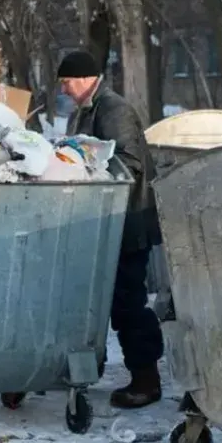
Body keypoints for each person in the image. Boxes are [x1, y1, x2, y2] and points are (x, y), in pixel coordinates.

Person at [57, 50, 164, 409]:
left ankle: (146, 379)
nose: (65, 88)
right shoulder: (87, 111)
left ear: (87, 78)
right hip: (105, 222)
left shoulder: (113, 110)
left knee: (126, 300)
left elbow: (128, 165)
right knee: (105, 300)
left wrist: (87, 170)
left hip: (127, 221)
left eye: (68, 81)